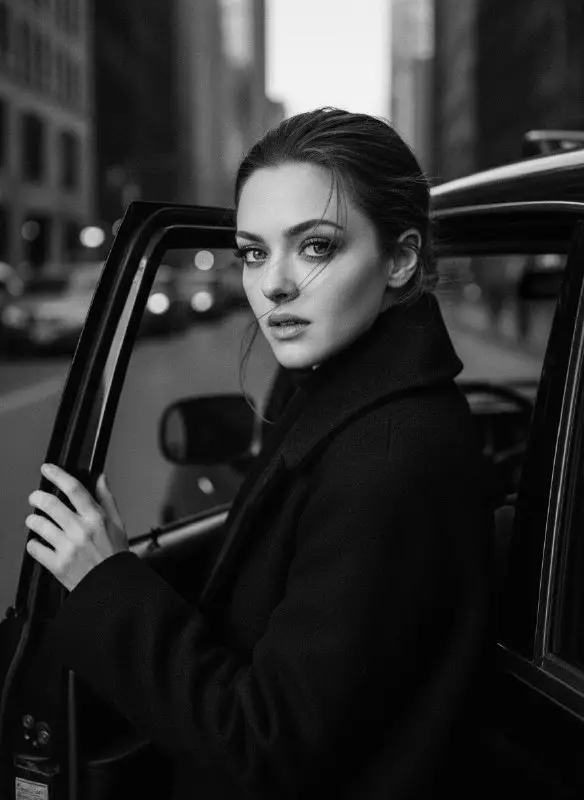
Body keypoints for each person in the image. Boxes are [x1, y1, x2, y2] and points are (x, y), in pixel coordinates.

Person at [25, 108, 496, 798]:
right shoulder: (339, 403)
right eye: (253, 251)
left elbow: (266, 747)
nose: (272, 284)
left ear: (400, 259)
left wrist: (107, 584)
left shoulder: (390, 459)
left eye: (316, 247)